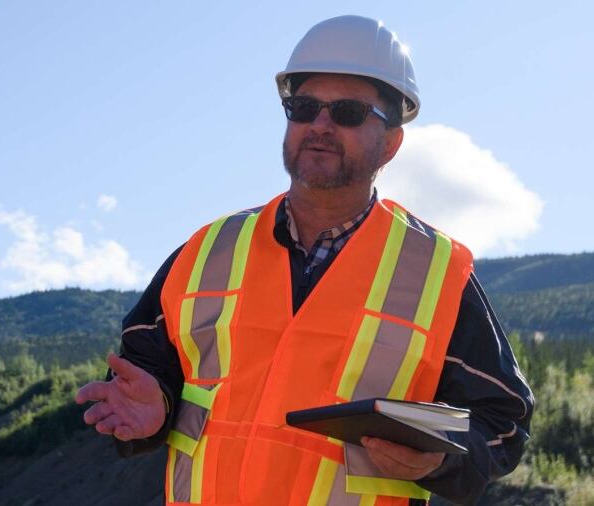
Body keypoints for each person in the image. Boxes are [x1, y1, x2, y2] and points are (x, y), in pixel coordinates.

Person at [76, 15, 533, 506]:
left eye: (349, 112)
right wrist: (153, 409)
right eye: (304, 107)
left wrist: (444, 458)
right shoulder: (206, 252)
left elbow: (501, 421)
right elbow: (142, 375)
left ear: (392, 143)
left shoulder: (436, 275)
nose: (320, 124)